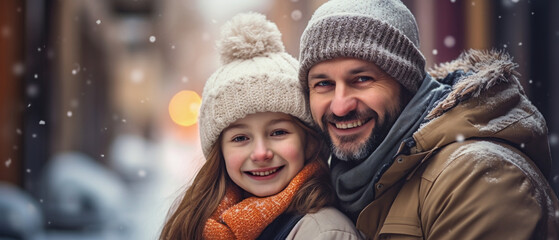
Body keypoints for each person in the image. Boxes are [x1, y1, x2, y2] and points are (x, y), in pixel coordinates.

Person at [297, 0, 559, 239]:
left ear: (406, 83)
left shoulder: (475, 177)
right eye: (323, 84)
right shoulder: (342, 181)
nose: (341, 106)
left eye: (362, 79)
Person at [159, 12, 363, 240]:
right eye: (240, 138)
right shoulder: (205, 223)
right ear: (221, 151)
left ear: (308, 141)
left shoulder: (322, 232)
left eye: (278, 132)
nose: (260, 153)